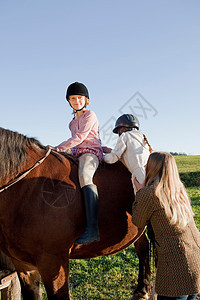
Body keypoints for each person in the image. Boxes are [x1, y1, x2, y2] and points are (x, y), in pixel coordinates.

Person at [132, 152, 200, 300]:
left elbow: (137, 221)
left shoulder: (148, 194)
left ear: (152, 168)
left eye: (147, 163)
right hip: (196, 260)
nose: (144, 166)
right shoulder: (179, 190)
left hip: (176, 270)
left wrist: (139, 192)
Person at [54, 82, 103, 244]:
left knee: (84, 175)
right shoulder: (71, 123)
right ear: (69, 101)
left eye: (80, 98)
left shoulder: (90, 115)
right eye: (73, 98)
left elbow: (80, 138)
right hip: (76, 154)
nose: (77, 101)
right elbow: (74, 144)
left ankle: (92, 229)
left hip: (90, 152)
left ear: (86, 100)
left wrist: (58, 148)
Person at [103, 114, 152, 194]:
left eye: (118, 131)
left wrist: (102, 157)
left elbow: (113, 158)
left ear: (122, 129)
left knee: (142, 201)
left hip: (139, 175)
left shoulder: (125, 136)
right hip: (151, 172)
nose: (119, 134)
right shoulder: (142, 138)